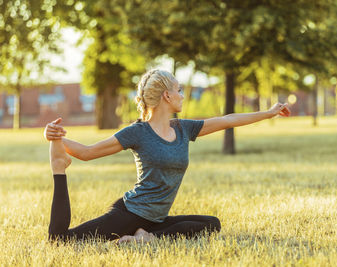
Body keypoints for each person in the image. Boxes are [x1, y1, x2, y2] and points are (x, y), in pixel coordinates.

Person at [45, 69, 291, 244]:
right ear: (167, 95)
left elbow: (227, 120)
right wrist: (56, 138)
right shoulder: (137, 132)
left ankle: (146, 238)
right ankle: (59, 168)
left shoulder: (184, 128)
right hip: (129, 213)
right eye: (179, 90)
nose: (182, 95)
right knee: (60, 240)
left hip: (155, 220)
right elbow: (87, 152)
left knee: (211, 224)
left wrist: (268, 113)